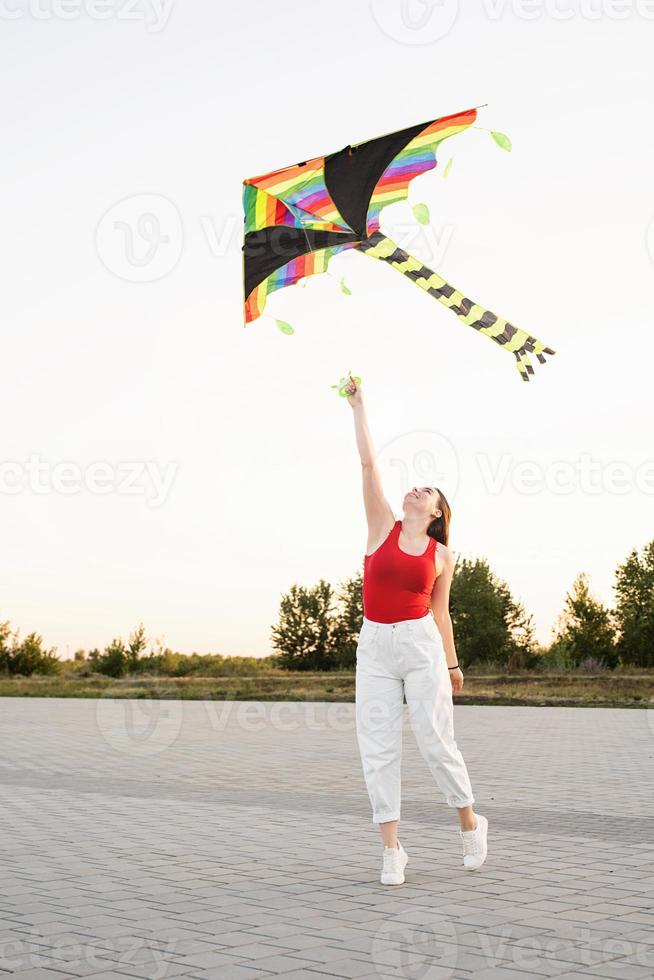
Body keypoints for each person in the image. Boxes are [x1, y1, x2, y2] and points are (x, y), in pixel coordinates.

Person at [344, 373, 488, 884]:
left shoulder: (443, 554)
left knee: (435, 739)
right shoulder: (380, 526)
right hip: (375, 646)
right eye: (415, 486)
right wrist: (359, 407)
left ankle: (471, 825)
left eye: (426, 490)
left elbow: (442, 612)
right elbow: (368, 464)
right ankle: (392, 851)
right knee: (377, 744)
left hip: (420, 644)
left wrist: (452, 662)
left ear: (436, 513)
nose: (415, 489)